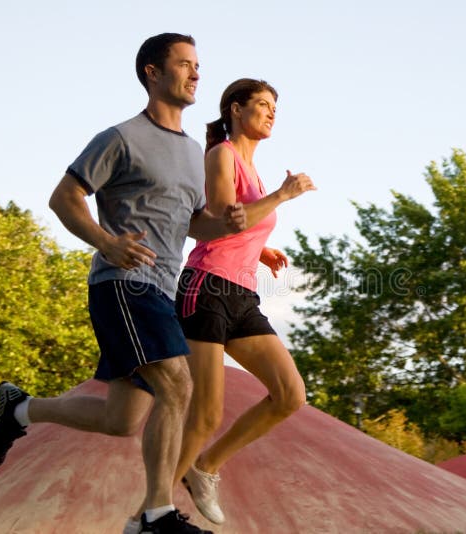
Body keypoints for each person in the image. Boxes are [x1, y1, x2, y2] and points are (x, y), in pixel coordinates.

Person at [0, 33, 246, 534]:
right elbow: (64, 197)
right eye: (185, 64)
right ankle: (154, 516)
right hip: (124, 284)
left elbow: (194, 224)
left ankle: (19, 409)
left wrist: (226, 224)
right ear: (152, 72)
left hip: (160, 291)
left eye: (198, 66)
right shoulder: (120, 138)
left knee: (122, 420)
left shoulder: (195, 152)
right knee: (178, 383)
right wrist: (106, 242)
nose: (195, 75)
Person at [175, 78, 316, 524]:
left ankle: (205, 467)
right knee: (205, 414)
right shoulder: (222, 155)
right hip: (206, 288)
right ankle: (150, 514)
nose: (271, 112)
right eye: (261, 104)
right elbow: (220, 220)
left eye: (275, 106)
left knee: (290, 394)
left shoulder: (253, 170)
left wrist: (261, 249)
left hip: (241, 295)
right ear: (235, 110)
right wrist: (281, 196)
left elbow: (245, 226)